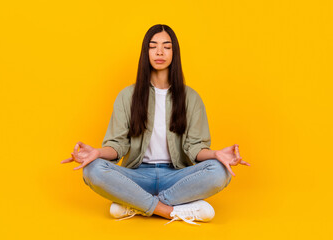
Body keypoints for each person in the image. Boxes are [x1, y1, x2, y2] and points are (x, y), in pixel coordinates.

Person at [61, 24, 250, 225]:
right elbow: (117, 147)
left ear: (174, 52)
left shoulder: (191, 98)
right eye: (153, 46)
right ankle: (169, 211)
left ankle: (135, 204)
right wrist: (97, 153)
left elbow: (195, 149)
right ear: (146, 52)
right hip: (136, 175)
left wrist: (216, 154)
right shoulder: (127, 96)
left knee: (220, 171)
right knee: (92, 169)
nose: (160, 52)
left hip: (176, 176)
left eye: (166, 47)